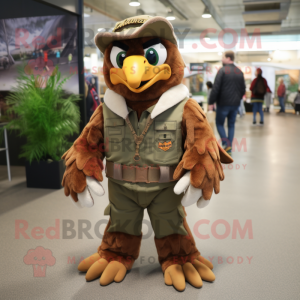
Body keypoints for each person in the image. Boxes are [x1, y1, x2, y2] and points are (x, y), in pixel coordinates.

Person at [209, 50, 246, 156]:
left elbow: (215, 88)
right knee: (231, 124)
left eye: (223, 57)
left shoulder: (222, 70)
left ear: (228, 58)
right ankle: (229, 147)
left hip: (223, 103)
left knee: (219, 123)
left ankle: (226, 144)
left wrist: (211, 102)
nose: (222, 59)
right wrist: (237, 98)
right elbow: (243, 89)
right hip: (235, 104)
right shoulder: (239, 71)